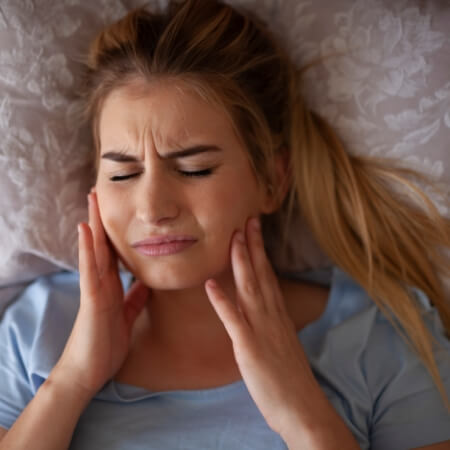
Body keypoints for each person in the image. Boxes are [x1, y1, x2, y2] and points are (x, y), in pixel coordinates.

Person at [0, 0, 449, 448]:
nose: (153, 208)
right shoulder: (37, 331)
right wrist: (72, 381)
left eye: (195, 169)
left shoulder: (380, 338)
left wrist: (305, 417)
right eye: (123, 174)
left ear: (273, 179)